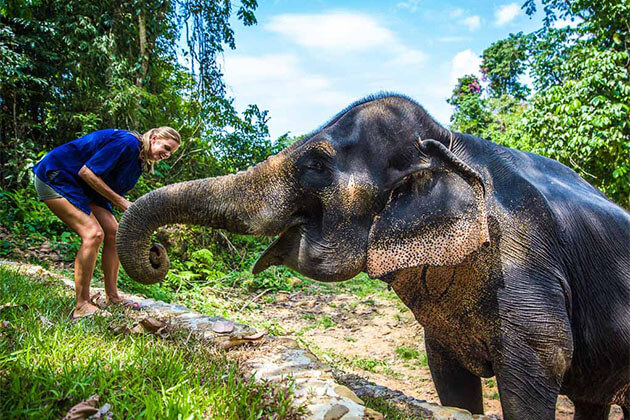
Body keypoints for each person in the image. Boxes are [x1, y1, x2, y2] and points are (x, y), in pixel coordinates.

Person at [32, 127, 181, 319]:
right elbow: (87, 172)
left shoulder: (140, 160)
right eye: (166, 147)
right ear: (153, 137)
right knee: (93, 234)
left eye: (171, 152)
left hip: (83, 189)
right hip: (56, 177)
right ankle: (81, 304)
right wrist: (121, 202)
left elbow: (107, 186)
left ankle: (113, 297)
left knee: (115, 233)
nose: (167, 154)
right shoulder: (127, 143)